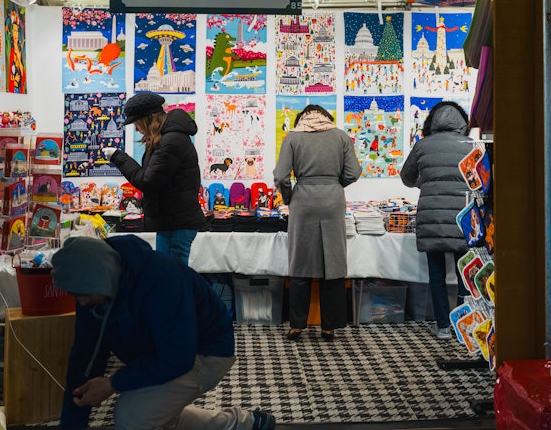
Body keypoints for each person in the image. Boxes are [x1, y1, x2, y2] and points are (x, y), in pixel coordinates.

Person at [51, 235, 276, 430]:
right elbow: (85, 358)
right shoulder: (93, 292)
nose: (81, 301)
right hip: (160, 352)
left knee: (130, 415)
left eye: (83, 294)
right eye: (75, 295)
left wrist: (113, 383)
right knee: (153, 413)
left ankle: (242, 423)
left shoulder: (162, 278)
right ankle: (245, 424)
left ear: (99, 278)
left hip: (208, 352)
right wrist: (73, 421)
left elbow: (178, 357)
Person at [273, 104, 362, 341]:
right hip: (333, 201)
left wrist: (290, 196)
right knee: (332, 262)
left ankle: (297, 326)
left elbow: (281, 176)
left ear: (301, 118)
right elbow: (354, 172)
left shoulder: (292, 137)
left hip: (303, 201)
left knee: (300, 261)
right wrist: (334, 185)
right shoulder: (340, 136)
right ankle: (329, 327)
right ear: (327, 118)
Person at [103, 92, 205, 265]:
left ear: (148, 119)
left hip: (175, 223)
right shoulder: (168, 138)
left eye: (137, 123)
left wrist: (119, 157)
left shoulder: (171, 141)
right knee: (169, 275)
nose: (136, 129)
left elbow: (147, 181)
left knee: (171, 278)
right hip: (172, 221)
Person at [400, 101, 472, 340]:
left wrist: (424, 182)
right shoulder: (471, 146)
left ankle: (443, 327)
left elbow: (406, 178)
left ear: (431, 122)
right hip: (464, 217)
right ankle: (465, 326)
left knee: (436, 274)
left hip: (432, 216)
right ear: (463, 122)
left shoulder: (422, 146)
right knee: (465, 273)